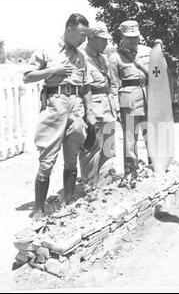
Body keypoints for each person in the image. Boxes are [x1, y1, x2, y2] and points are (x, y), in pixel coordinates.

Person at [23, 13, 96, 218]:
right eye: (81, 34)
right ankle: (38, 209)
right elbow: (27, 77)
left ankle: (68, 203)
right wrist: (52, 70)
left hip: (76, 108)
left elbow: (87, 86)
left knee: (72, 158)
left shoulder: (81, 57)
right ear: (69, 29)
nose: (83, 40)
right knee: (47, 159)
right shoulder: (47, 50)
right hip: (55, 106)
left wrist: (89, 112)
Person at [108, 20, 152, 175]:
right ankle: (131, 171)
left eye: (135, 37)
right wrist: (116, 108)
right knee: (130, 139)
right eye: (129, 37)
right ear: (122, 37)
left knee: (151, 134)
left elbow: (159, 74)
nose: (133, 40)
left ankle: (154, 167)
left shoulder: (148, 51)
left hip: (149, 98)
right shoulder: (115, 57)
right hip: (129, 101)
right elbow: (113, 86)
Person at [79, 24, 119, 187]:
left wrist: (115, 105)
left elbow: (111, 82)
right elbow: (82, 87)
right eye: (103, 40)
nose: (106, 44)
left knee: (108, 149)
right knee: (91, 150)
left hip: (108, 108)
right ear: (91, 38)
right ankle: (90, 187)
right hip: (93, 110)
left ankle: (105, 185)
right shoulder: (81, 57)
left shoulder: (102, 58)